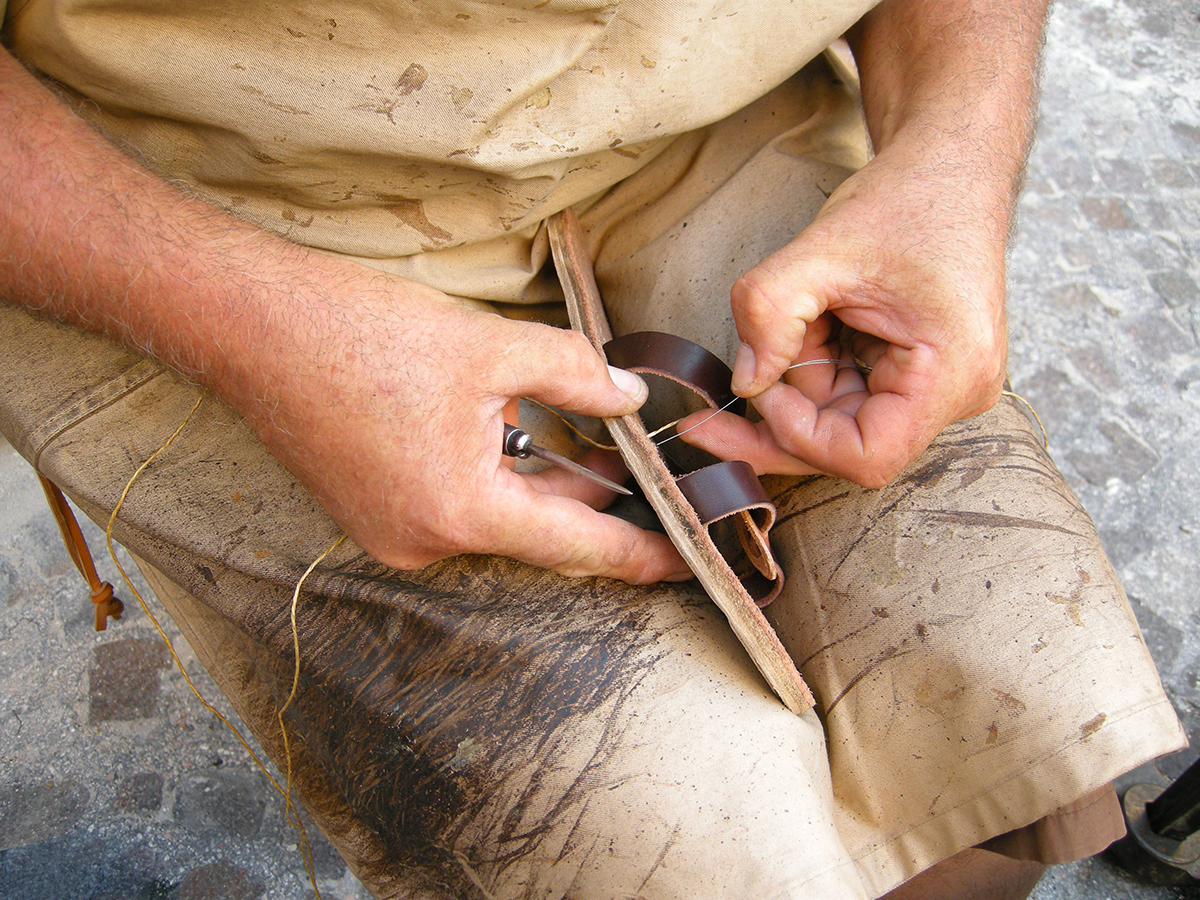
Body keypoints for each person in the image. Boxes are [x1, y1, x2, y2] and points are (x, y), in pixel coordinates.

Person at [0, 1, 1185, 898]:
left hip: (713, 113)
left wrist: (953, 161)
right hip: (208, 197)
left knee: (1014, 692)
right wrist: (264, 336)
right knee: (670, 836)